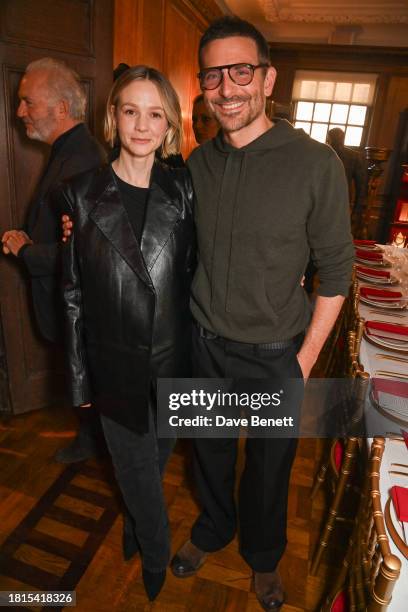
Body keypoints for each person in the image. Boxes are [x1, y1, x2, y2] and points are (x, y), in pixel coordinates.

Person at [169, 17, 354, 611]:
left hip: (277, 351)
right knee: (210, 453)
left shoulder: (315, 163)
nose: (227, 88)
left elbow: (338, 271)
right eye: (214, 75)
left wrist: (302, 362)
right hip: (204, 343)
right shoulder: (197, 164)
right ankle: (214, 528)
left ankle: (265, 557)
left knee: (270, 469)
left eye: (241, 71)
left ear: (268, 78)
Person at [57, 65, 194, 601]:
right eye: (130, 110)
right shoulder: (80, 195)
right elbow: (70, 296)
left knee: (150, 472)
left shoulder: (182, 189)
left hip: (175, 367)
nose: (142, 125)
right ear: (113, 116)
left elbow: (195, 274)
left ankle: (137, 527)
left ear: (169, 125)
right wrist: (78, 384)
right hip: (114, 371)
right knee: (136, 472)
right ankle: (156, 553)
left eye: (154, 113)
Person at [1, 57, 105, 464]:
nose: (19, 112)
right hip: (66, 299)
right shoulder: (70, 150)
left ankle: (93, 441)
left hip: (75, 301)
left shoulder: (82, 158)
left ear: (60, 109)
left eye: (27, 102)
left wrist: (25, 251)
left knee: (85, 376)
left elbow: (82, 253)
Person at [327, 127, 367, 225]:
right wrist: (356, 211)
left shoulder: (353, 156)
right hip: (341, 201)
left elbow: (361, 187)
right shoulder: (354, 156)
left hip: (339, 202)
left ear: (329, 138)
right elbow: (361, 187)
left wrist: (356, 211)